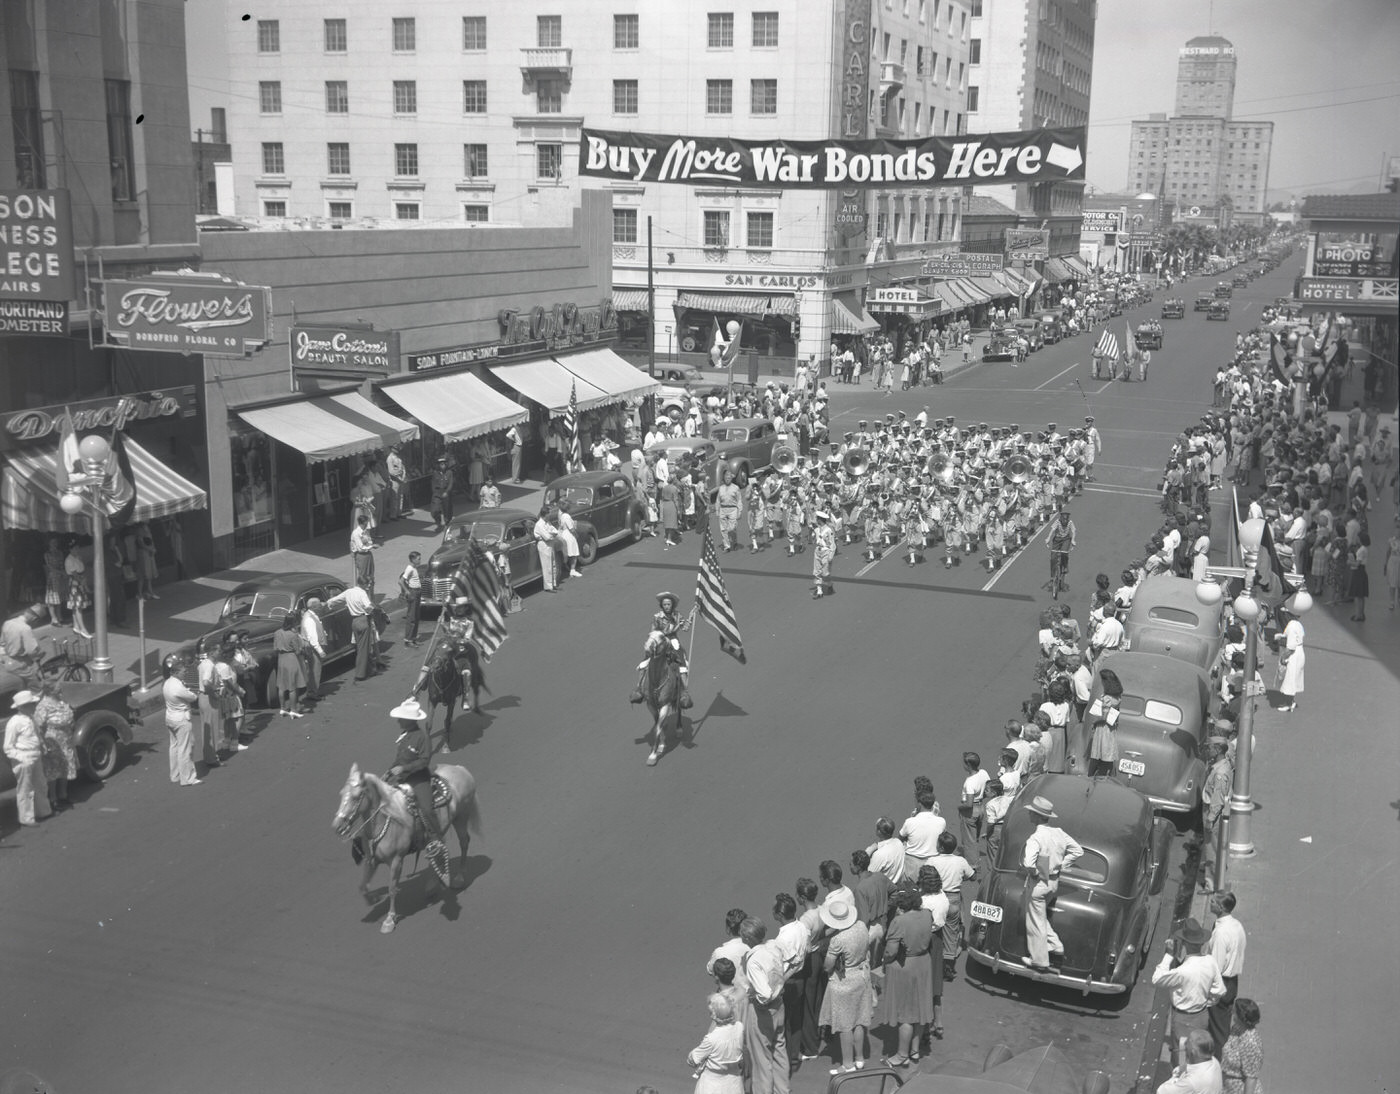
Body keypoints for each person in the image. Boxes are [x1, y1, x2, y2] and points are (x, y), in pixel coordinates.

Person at [385, 697, 451, 885]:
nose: (398, 721)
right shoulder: (405, 737)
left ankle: (435, 839)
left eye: (401, 718)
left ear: (409, 720)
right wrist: (390, 771)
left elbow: (424, 761)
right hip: (402, 778)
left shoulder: (422, 738)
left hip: (419, 779)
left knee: (427, 809)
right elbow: (399, 759)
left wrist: (404, 769)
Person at [1020, 795, 1083, 971]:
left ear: (1038, 816)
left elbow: (1028, 863)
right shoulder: (1059, 832)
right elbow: (1077, 851)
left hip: (1040, 882)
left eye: (1032, 812)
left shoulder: (1036, 837)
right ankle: (1055, 944)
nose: (1029, 815)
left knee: (1034, 920)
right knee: (1039, 917)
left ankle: (1039, 959)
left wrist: (1036, 873)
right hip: (1054, 882)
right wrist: (1061, 864)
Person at [1152, 918, 1226, 1068]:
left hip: (1183, 1018)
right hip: (1202, 1015)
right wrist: (1206, 1001)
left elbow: (1157, 979)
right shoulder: (1210, 961)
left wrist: (1168, 955)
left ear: (1184, 943)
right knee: (1199, 1055)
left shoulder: (1182, 972)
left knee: (1182, 1061)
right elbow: (1220, 990)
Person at [875, 888, 934, 1068]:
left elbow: (891, 951)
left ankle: (902, 1055)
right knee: (919, 1010)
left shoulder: (899, 921)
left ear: (902, 905)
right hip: (923, 963)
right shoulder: (927, 914)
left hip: (905, 967)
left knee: (906, 1015)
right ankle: (914, 1050)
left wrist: (884, 961)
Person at [818, 898, 874, 1075]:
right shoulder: (862, 926)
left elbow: (828, 966)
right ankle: (859, 1058)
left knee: (844, 1025)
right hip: (861, 976)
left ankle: (847, 1064)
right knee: (859, 1020)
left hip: (844, 982)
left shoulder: (837, 940)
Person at [739, 917, 789, 1094]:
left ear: (748, 937)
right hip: (780, 1006)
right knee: (779, 1052)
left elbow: (764, 993)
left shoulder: (754, 961)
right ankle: (783, 1090)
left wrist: (756, 996)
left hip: (763, 1012)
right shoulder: (773, 948)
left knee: (761, 1059)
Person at [1206, 892, 1246, 1057]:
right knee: (1220, 1023)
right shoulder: (1237, 925)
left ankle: (1220, 1062)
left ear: (1221, 907)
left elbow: (1215, 965)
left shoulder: (1221, 933)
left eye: (1213, 902)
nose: (1210, 903)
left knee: (1218, 1029)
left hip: (1220, 983)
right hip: (1232, 982)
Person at [4, 690, 50, 824]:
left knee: (40, 784)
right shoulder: (14, 723)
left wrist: (42, 745)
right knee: (25, 789)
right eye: (31, 704)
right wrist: (21, 758)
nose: (34, 706)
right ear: (22, 706)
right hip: (24, 757)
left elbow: (36, 734)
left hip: (35, 755)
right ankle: (27, 818)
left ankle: (43, 811)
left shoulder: (31, 718)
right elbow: (8, 747)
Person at [686, 994, 745, 1094]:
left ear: (713, 1015)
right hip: (734, 1084)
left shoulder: (711, 1039)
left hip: (712, 1086)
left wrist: (691, 1056)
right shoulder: (739, 1027)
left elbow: (693, 1060)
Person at [35, 680, 77, 811]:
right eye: (58, 689)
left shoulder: (61, 701)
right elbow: (38, 727)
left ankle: (63, 795)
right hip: (51, 743)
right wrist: (42, 744)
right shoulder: (43, 706)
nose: (61, 691)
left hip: (66, 741)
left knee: (65, 767)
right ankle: (53, 799)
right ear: (50, 691)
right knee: (53, 771)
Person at [1198, 738, 1233, 891]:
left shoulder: (1220, 772)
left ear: (1218, 750)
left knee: (1211, 848)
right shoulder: (1223, 765)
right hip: (1214, 811)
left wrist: (1210, 819)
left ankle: (1210, 884)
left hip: (1213, 813)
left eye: (1210, 748)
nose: (1208, 750)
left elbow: (1217, 800)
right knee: (1215, 846)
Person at [161, 654, 200, 787]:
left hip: (170, 717)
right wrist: (194, 692)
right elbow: (192, 697)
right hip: (181, 719)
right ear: (176, 672)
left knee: (174, 747)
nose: (185, 673)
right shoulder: (178, 687)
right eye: (183, 672)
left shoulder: (167, 683)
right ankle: (188, 778)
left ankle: (175, 775)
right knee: (185, 749)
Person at [327, 583, 377, 681]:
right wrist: (370, 609)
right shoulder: (362, 593)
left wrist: (327, 603)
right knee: (364, 648)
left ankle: (371, 668)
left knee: (361, 646)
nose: (367, 587)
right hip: (363, 620)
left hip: (354, 622)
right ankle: (360, 674)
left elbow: (334, 600)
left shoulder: (348, 592)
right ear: (362, 584)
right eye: (366, 585)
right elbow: (369, 607)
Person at [1156, 1029, 1224, 1094]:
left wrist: (1176, 1076)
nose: (1184, 1043)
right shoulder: (1214, 1061)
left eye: (1187, 1042)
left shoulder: (1192, 1081)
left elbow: (1161, 1091)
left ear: (1193, 1052)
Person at [1219, 997, 1263, 1094]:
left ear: (1241, 1017)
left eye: (1234, 1012)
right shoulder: (1237, 1028)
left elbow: (1251, 1078)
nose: (1231, 1013)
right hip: (1228, 1087)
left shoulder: (1251, 1042)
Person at [899, 789, 946, 879]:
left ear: (919, 804)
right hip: (933, 864)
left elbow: (899, 840)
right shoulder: (942, 822)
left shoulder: (910, 822)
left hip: (911, 865)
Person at [272, 613, 307, 718]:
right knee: (293, 686)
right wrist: (302, 645)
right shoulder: (293, 635)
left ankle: (282, 708)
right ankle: (293, 709)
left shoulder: (277, 632)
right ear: (294, 623)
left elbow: (275, 648)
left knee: (282, 686)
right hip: (291, 659)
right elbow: (298, 651)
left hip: (281, 659)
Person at [0, 603, 44, 686]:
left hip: (5, 660)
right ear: (34, 619)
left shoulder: (7, 622)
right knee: (37, 686)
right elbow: (32, 651)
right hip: (19, 663)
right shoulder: (25, 628)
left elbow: (2, 642)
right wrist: (40, 654)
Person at [957, 752, 990, 857]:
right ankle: (975, 858)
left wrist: (959, 808)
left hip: (970, 812)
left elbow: (969, 804)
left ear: (968, 765)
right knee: (974, 837)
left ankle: (973, 865)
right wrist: (980, 798)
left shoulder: (970, 782)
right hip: (980, 808)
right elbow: (988, 789)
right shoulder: (983, 773)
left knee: (969, 841)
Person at [1274, 608, 1304, 713]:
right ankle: (1291, 701)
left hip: (1293, 655)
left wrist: (1283, 658)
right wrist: (1282, 636)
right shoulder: (1297, 624)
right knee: (1292, 678)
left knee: (1289, 679)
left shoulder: (1292, 626)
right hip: (1299, 652)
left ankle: (1288, 704)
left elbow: (1290, 648)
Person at [301, 598, 328, 701]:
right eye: (319, 605)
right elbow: (312, 638)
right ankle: (312, 692)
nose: (321, 606)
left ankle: (313, 690)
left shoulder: (311, 616)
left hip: (314, 648)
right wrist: (320, 651)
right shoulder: (309, 619)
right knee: (314, 671)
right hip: (313, 649)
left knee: (315, 670)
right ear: (314, 607)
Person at [64, 542, 92, 638]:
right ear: (70, 549)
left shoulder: (77, 557)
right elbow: (75, 574)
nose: (77, 550)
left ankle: (76, 626)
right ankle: (83, 629)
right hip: (75, 583)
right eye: (75, 548)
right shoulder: (68, 560)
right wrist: (82, 583)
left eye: (78, 548)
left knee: (76, 606)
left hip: (80, 581)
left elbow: (82, 569)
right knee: (77, 606)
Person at [534, 506, 561, 591]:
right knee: (547, 566)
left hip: (550, 545)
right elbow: (547, 537)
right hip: (544, 546)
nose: (550, 515)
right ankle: (548, 586)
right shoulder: (539, 524)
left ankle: (553, 584)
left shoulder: (547, 522)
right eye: (549, 513)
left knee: (553, 565)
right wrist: (551, 534)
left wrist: (552, 534)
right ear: (545, 514)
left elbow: (555, 531)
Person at [1047, 508, 1076, 591]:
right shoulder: (1057, 522)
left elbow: (1073, 531)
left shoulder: (1070, 523)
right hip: (1057, 540)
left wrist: (1073, 540)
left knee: (1064, 553)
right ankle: (1052, 578)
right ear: (1061, 518)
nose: (1065, 521)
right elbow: (1052, 530)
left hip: (1066, 539)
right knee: (1053, 558)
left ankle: (1065, 566)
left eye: (1066, 519)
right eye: (1063, 519)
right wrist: (1048, 538)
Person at [399, 552, 423, 646]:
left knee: (416, 616)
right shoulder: (409, 568)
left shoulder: (414, 568)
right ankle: (408, 639)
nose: (420, 560)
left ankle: (413, 638)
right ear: (413, 559)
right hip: (413, 592)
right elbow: (401, 581)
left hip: (417, 592)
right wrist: (407, 591)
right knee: (411, 617)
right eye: (418, 559)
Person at [811, 511, 836, 599]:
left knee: (825, 573)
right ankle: (819, 591)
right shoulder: (817, 529)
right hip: (818, 550)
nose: (816, 520)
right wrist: (813, 534)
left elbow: (832, 544)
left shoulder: (829, 530)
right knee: (817, 571)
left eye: (817, 518)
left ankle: (829, 584)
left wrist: (831, 555)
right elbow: (813, 540)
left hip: (826, 552)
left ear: (820, 520)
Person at [350, 513, 377, 594]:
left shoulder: (365, 531)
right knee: (363, 577)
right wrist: (371, 546)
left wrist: (370, 545)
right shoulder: (356, 533)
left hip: (368, 554)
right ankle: (362, 595)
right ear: (362, 523)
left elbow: (369, 541)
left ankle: (371, 597)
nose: (367, 524)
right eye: (366, 523)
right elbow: (360, 548)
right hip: (361, 556)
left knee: (371, 575)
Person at [716, 469, 743, 551]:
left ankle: (734, 542)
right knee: (723, 529)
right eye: (726, 477)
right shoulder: (721, 488)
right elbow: (718, 500)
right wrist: (717, 510)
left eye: (729, 478)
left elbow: (739, 500)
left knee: (732, 528)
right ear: (724, 478)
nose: (728, 479)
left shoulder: (736, 488)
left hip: (732, 509)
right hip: (723, 509)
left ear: (731, 478)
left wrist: (740, 511)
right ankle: (727, 545)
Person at [557, 502, 584, 579]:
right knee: (574, 553)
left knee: (567, 552)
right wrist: (576, 535)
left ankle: (567, 567)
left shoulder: (562, 516)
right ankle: (573, 570)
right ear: (568, 509)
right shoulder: (567, 516)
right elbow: (571, 528)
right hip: (569, 536)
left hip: (564, 534)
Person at [430, 455, 455, 529]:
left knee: (447, 509)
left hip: (446, 492)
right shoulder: (435, 473)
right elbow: (433, 483)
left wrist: (447, 492)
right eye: (440, 463)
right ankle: (438, 522)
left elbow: (450, 483)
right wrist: (435, 492)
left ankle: (447, 523)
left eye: (444, 463)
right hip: (437, 492)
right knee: (434, 510)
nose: (442, 465)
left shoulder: (449, 472)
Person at [385, 444, 408, 518]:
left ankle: (399, 513)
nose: (397, 450)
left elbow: (403, 467)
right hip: (394, 480)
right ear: (392, 449)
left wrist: (403, 476)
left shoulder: (398, 457)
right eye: (395, 448)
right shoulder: (390, 458)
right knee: (394, 497)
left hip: (401, 479)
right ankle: (393, 515)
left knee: (400, 496)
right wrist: (399, 477)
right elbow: (391, 471)